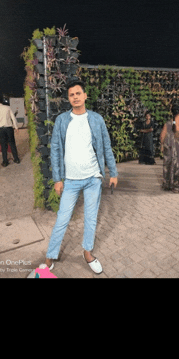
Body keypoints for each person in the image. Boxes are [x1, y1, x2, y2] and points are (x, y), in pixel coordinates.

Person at [44, 79, 118, 275]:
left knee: (91, 218)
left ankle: (88, 253)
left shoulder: (96, 119)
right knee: (62, 219)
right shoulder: (62, 120)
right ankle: (50, 256)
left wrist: (113, 172)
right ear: (68, 99)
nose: (75, 97)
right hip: (71, 180)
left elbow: (106, 147)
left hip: (93, 178)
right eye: (71, 94)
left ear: (85, 96)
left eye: (78, 93)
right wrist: (58, 179)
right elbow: (56, 150)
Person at [0, 97, 20, 167]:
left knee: (3, 145)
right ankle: (16, 159)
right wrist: (16, 127)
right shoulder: (8, 108)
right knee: (12, 144)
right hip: (9, 128)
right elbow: (13, 118)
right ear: (2, 102)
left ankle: (5, 161)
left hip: (1, 129)